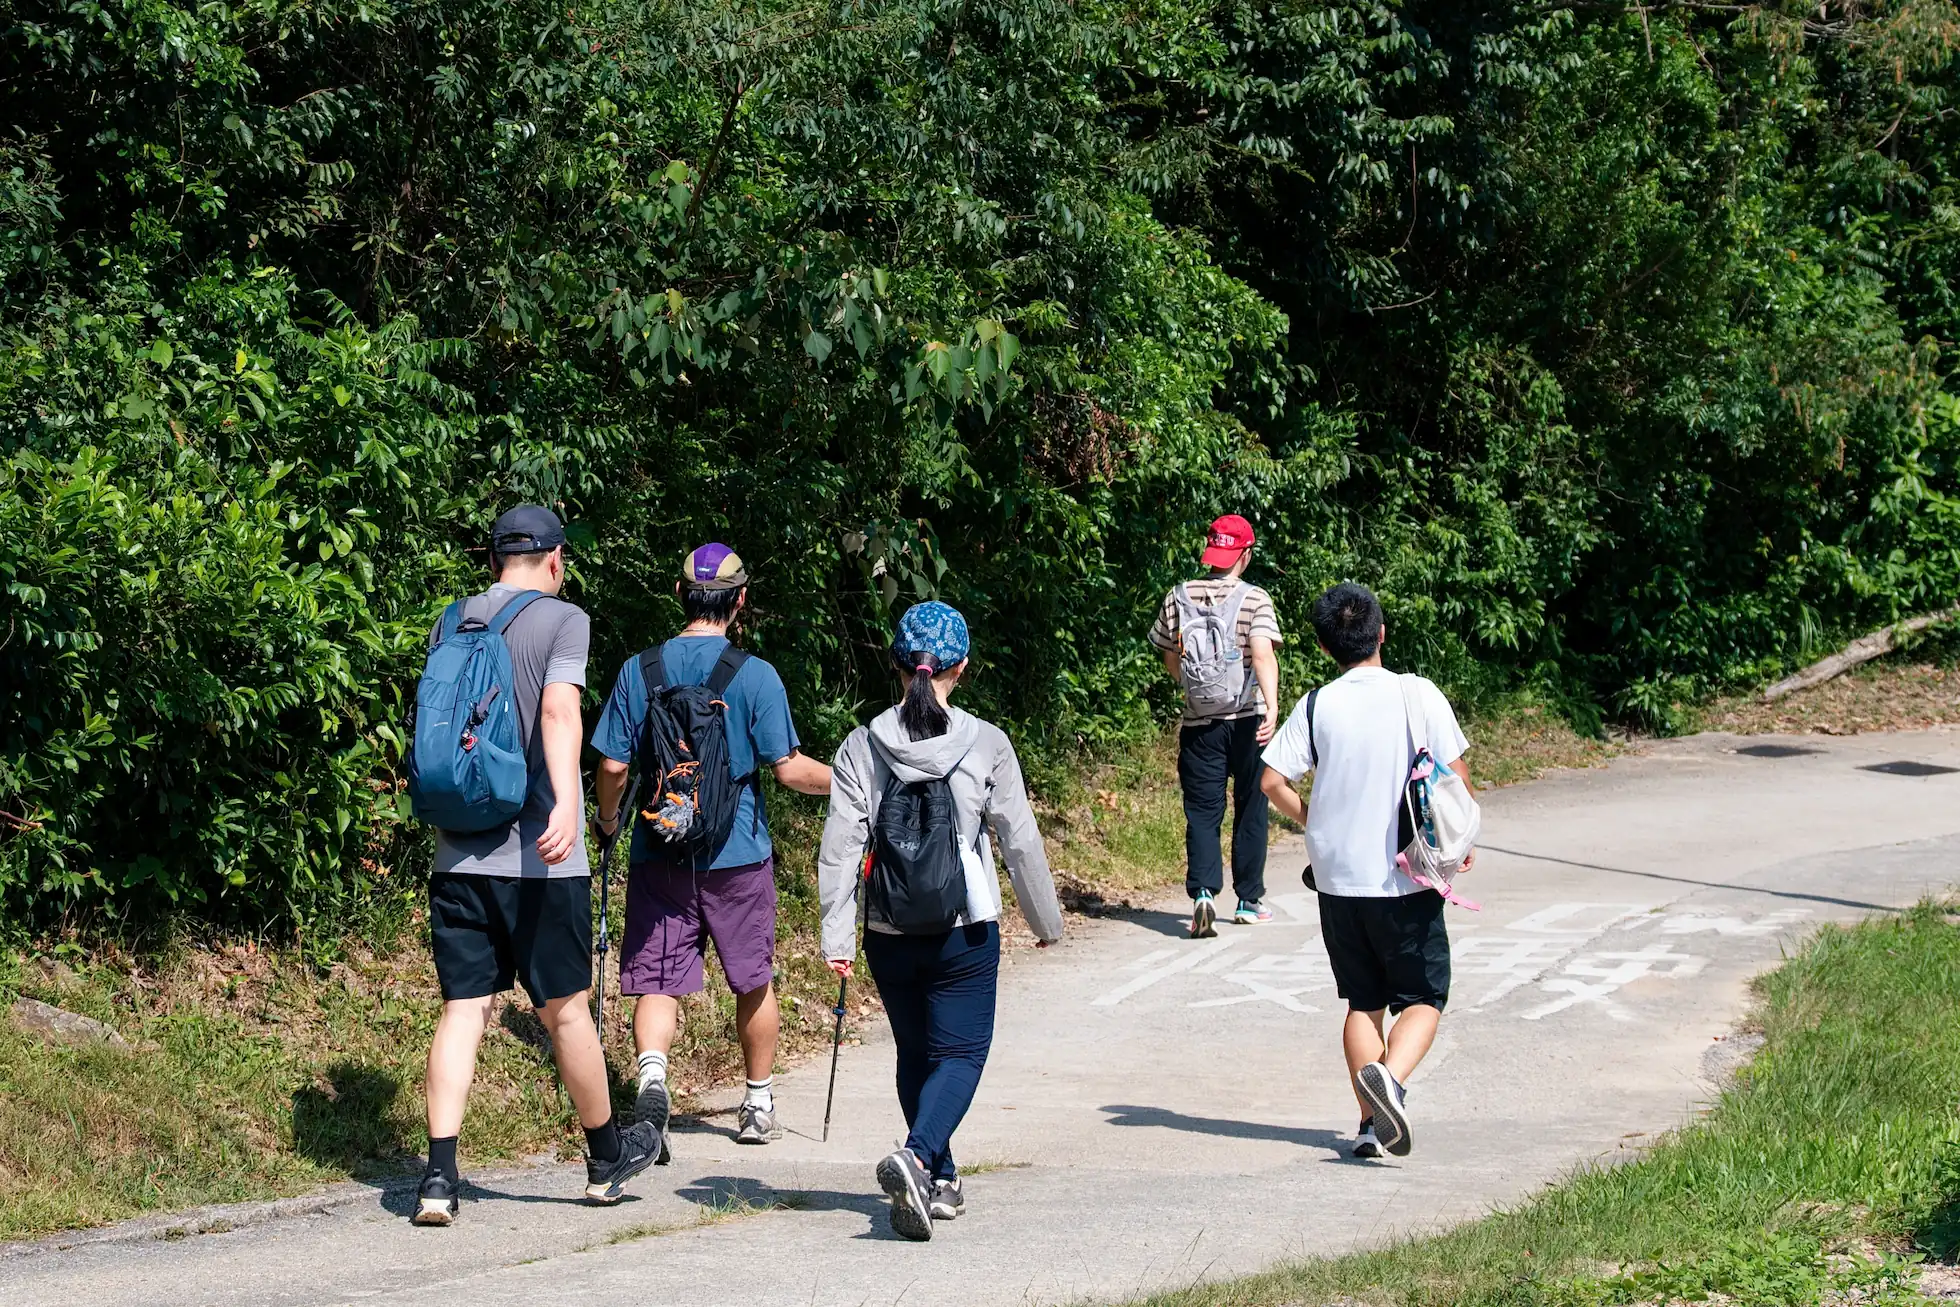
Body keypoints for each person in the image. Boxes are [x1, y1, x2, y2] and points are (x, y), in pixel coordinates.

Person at [415, 505, 661, 1227]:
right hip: (540, 861)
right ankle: (604, 1158)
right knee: (565, 1009)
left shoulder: (451, 619)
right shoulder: (564, 619)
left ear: (496, 559)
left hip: (458, 852)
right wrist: (564, 804)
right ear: (554, 559)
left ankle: (437, 1178)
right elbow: (559, 712)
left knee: (464, 1008)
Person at [816, 601, 1065, 1242]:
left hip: (888, 928)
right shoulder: (986, 742)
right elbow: (1020, 839)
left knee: (916, 1053)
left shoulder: (861, 744)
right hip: (966, 927)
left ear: (898, 666)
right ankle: (920, 1156)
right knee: (959, 1053)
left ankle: (941, 1179)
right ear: (963, 667)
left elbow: (842, 848)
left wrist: (837, 935)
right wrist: (1045, 920)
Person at [591, 543, 832, 1153]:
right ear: (740, 601)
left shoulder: (638, 671)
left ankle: (651, 1085)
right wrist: (858, 781)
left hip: (659, 848)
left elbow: (614, 764)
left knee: (658, 980)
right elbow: (789, 769)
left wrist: (608, 819)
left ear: (680, 595)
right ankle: (756, 1102)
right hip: (737, 855)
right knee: (752, 978)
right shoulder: (754, 675)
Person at [1258, 581, 1474, 1160]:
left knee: (1362, 1004)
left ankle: (1369, 1128)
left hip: (1335, 879)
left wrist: (1314, 820)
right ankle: (1394, 1084)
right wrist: (1459, 841)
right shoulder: (1417, 694)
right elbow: (1452, 780)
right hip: (1404, 877)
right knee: (1425, 996)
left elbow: (1271, 781)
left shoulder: (1317, 703)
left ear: (1327, 649)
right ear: (1381, 633)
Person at [1148, 513, 1283, 937]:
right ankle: (1248, 901)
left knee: (1203, 813)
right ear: (1245, 553)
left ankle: (1203, 895)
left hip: (1199, 722)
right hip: (1248, 721)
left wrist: (1190, 687)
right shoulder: (1255, 598)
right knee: (1251, 807)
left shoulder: (1179, 595)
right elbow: (1262, 654)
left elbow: (1170, 653)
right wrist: (1273, 707)